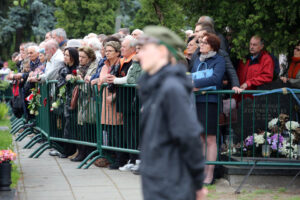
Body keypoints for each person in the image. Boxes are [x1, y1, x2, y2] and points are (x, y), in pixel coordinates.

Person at [137, 25, 207, 200]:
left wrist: (198, 183)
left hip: (171, 184)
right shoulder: (153, 86)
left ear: (161, 50)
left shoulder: (171, 88)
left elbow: (189, 136)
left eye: (145, 49)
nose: (139, 55)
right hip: (156, 181)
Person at [191, 32, 226, 185]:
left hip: (210, 102)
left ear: (213, 45)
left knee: (210, 138)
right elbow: (192, 75)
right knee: (200, 138)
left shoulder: (219, 60)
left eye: (204, 42)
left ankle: (209, 174)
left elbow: (215, 78)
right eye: (200, 42)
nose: (201, 45)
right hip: (197, 101)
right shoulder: (197, 59)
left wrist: (196, 84)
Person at [97, 41, 124, 169]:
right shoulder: (105, 64)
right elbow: (102, 78)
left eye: (110, 51)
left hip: (115, 101)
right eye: (106, 51)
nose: (107, 53)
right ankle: (111, 157)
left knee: (117, 131)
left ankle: (120, 159)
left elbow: (119, 83)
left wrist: (114, 96)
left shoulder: (120, 64)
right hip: (105, 101)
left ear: (117, 52)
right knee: (109, 130)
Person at [55, 47, 79, 158]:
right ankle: (66, 150)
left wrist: (72, 77)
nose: (65, 57)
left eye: (67, 55)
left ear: (73, 57)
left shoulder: (76, 68)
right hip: (66, 100)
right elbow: (59, 83)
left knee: (72, 125)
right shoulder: (64, 68)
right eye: (64, 54)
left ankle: (70, 150)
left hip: (75, 101)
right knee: (67, 125)